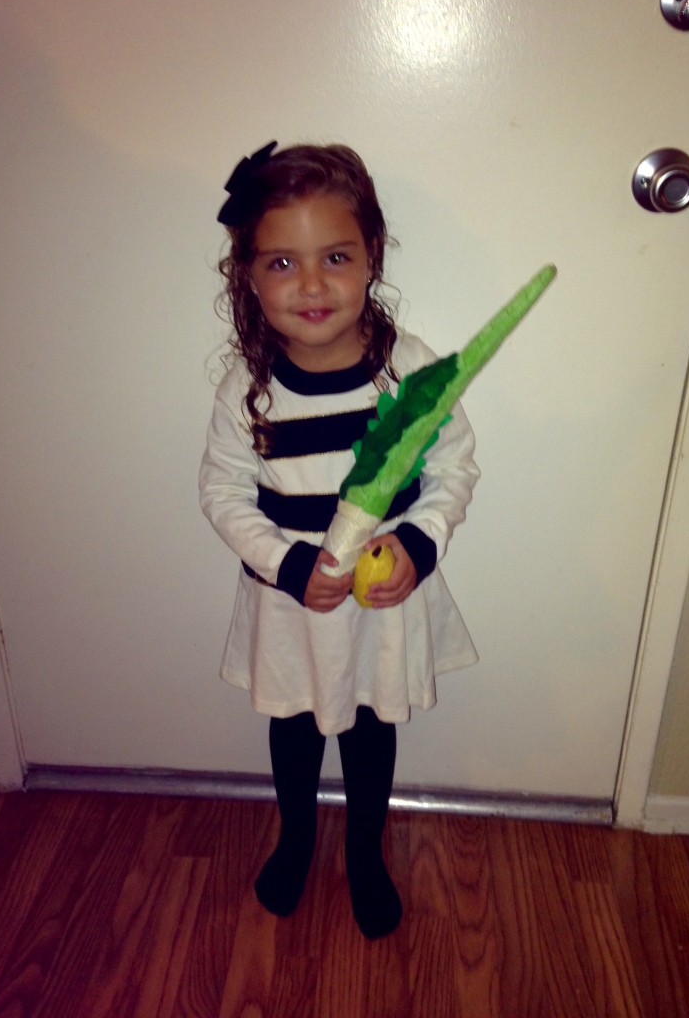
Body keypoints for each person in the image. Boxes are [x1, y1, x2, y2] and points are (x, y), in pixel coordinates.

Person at [199, 141, 479, 939]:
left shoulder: (407, 372)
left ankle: (363, 851)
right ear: (248, 277)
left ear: (371, 258)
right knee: (292, 722)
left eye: (335, 257)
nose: (313, 285)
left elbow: (453, 467)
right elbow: (222, 493)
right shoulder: (249, 391)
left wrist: (418, 547)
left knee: (368, 725)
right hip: (290, 605)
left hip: (382, 602)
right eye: (283, 263)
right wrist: (289, 565)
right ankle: (296, 838)